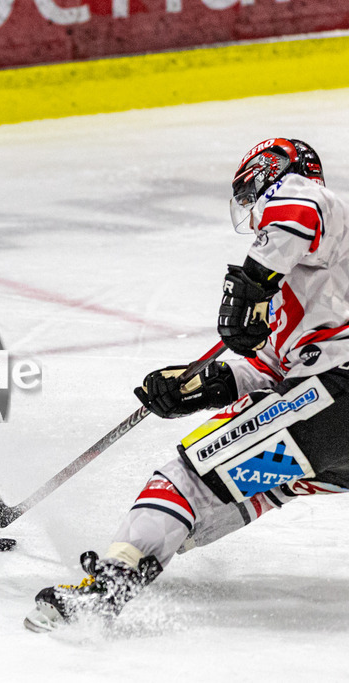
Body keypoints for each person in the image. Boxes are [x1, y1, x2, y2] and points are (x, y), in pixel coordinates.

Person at [25, 138, 349, 632]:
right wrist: (203, 384)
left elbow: (297, 205)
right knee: (265, 483)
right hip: (333, 428)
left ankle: (109, 588)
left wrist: (252, 283)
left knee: (187, 479)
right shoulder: (310, 284)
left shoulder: (316, 204)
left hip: (336, 395)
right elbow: (271, 372)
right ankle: (151, 546)